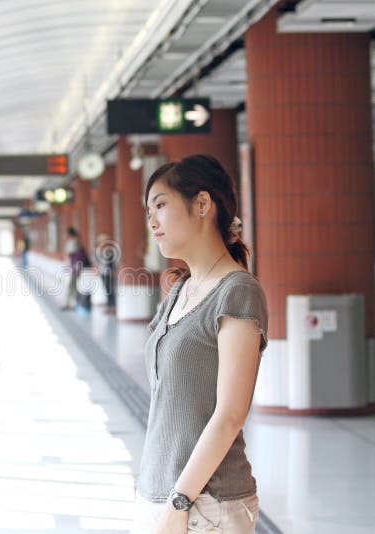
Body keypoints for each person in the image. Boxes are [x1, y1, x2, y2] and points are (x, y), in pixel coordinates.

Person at [133, 154, 268, 534]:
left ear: (203, 205)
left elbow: (229, 415)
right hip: (157, 493)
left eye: (160, 205)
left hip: (206, 505)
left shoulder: (237, 292)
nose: (152, 221)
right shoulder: (179, 290)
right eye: (149, 211)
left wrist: (181, 500)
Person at [62, 227, 84, 310]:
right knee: (73, 285)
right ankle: (72, 303)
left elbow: (69, 253)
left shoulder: (74, 242)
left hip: (75, 267)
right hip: (74, 266)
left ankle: (73, 304)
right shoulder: (76, 242)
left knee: (72, 285)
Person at [96, 233, 117, 314]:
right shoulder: (100, 250)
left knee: (110, 291)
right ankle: (109, 307)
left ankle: (112, 308)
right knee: (107, 290)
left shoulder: (109, 250)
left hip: (109, 273)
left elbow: (111, 263)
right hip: (103, 273)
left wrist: (112, 271)